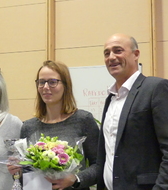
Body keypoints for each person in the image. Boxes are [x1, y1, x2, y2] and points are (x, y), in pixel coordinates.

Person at [9, 60, 99, 190]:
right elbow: (27, 177)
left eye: (52, 82)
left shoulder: (83, 120)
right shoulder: (28, 127)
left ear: (65, 85)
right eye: (41, 82)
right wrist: (17, 172)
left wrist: (76, 179)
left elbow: (99, 165)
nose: (45, 87)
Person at [96, 33, 168, 190]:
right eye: (106, 53)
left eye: (118, 50)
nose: (111, 57)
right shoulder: (111, 99)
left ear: (136, 54)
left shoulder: (156, 88)